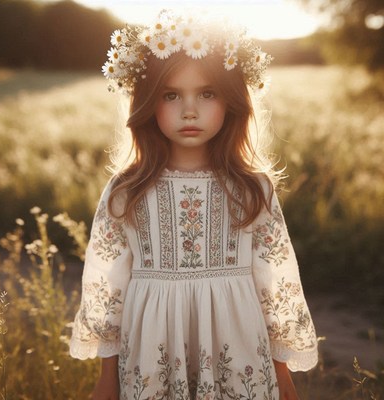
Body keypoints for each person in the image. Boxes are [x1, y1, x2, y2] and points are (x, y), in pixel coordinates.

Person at [69, 9, 318, 400]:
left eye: (207, 93)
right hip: (153, 348)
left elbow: (276, 285)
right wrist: (107, 377)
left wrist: (281, 374)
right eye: (171, 95)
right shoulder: (126, 190)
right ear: (149, 102)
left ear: (231, 100)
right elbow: (106, 286)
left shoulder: (253, 189)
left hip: (236, 346)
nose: (189, 110)